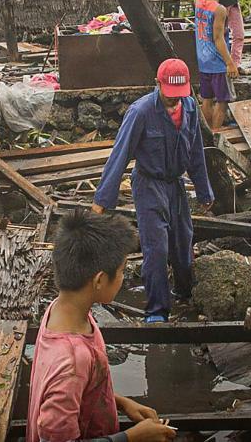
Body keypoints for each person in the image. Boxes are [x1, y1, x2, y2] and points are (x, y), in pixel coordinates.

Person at [26, 209, 176, 442]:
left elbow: (81, 390)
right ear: (98, 280)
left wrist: (121, 402)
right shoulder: (71, 362)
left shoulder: (62, 309)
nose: (123, 278)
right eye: (121, 271)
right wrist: (132, 437)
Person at [92, 58, 213, 323]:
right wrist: (102, 199)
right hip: (148, 185)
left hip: (175, 184)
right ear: (157, 84)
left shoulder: (190, 108)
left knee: (183, 242)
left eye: (178, 96)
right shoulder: (141, 112)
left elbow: (195, 154)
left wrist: (204, 191)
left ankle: (184, 292)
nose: (174, 101)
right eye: (169, 96)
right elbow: (120, 155)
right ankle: (157, 309)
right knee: (156, 247)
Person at [194, 0, 238, 129]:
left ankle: (207, 133)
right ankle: (215, 133)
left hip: (203, 61)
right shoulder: (219, 10)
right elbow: (218, 38)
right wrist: (230, 62)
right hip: (217, 62)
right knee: (222, 101)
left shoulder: (199, 4)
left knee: (206, 99)